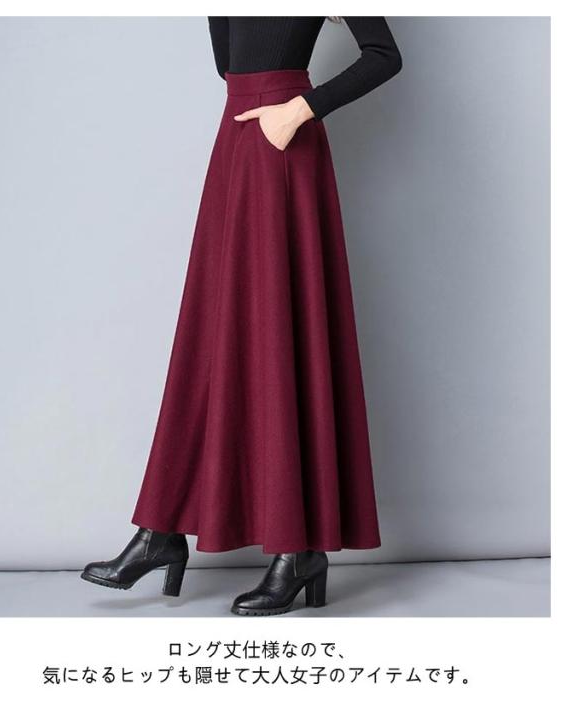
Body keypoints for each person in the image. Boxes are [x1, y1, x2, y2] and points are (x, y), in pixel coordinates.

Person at [81, 16, 402, 616]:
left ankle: (297, 549)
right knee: (213, 338)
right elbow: (229, 65)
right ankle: (161, 529)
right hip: (236, 140)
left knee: (279, 333)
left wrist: (300, 110)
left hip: (284, 143)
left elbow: (384, 55)